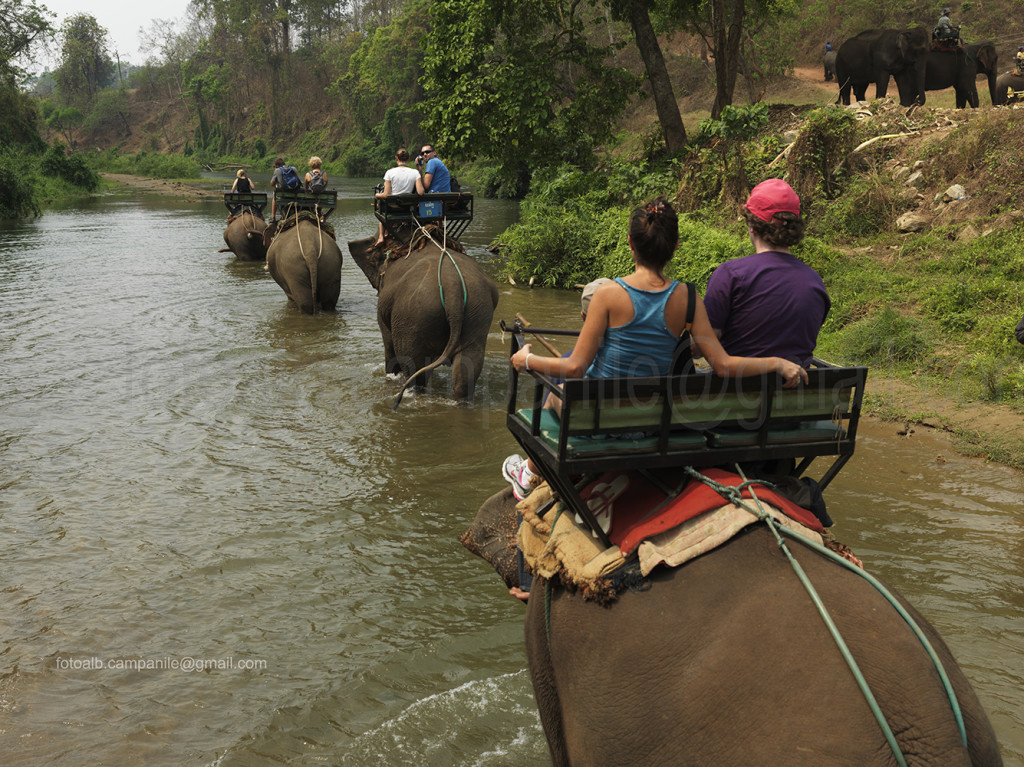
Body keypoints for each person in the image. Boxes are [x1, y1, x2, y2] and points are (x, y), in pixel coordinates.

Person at [502, 199, 808, 503]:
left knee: (560, 380)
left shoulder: (607, 293)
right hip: (649, 423)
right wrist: (778, 363)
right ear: (675, 246)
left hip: (595, 421)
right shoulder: (688, 296)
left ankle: (528, 474)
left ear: (630, 243)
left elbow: (576, 369)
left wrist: (525, 359)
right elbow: (724, 365)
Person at [702, 179, 830, 367]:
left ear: (752, 226)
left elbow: (703, 344)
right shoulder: (815, 282)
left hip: (737, 393)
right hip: (800, 393)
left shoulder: (730, 275)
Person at [373, 147, 424, 246]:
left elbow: (386, 194)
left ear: (396, 158)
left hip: (392, 208)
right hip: (408, 208)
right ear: (408, 159)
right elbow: (421, 192)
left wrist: (377, 195)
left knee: (381, 211)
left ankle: (381, 237)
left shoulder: (390, 172)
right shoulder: (415, 173)